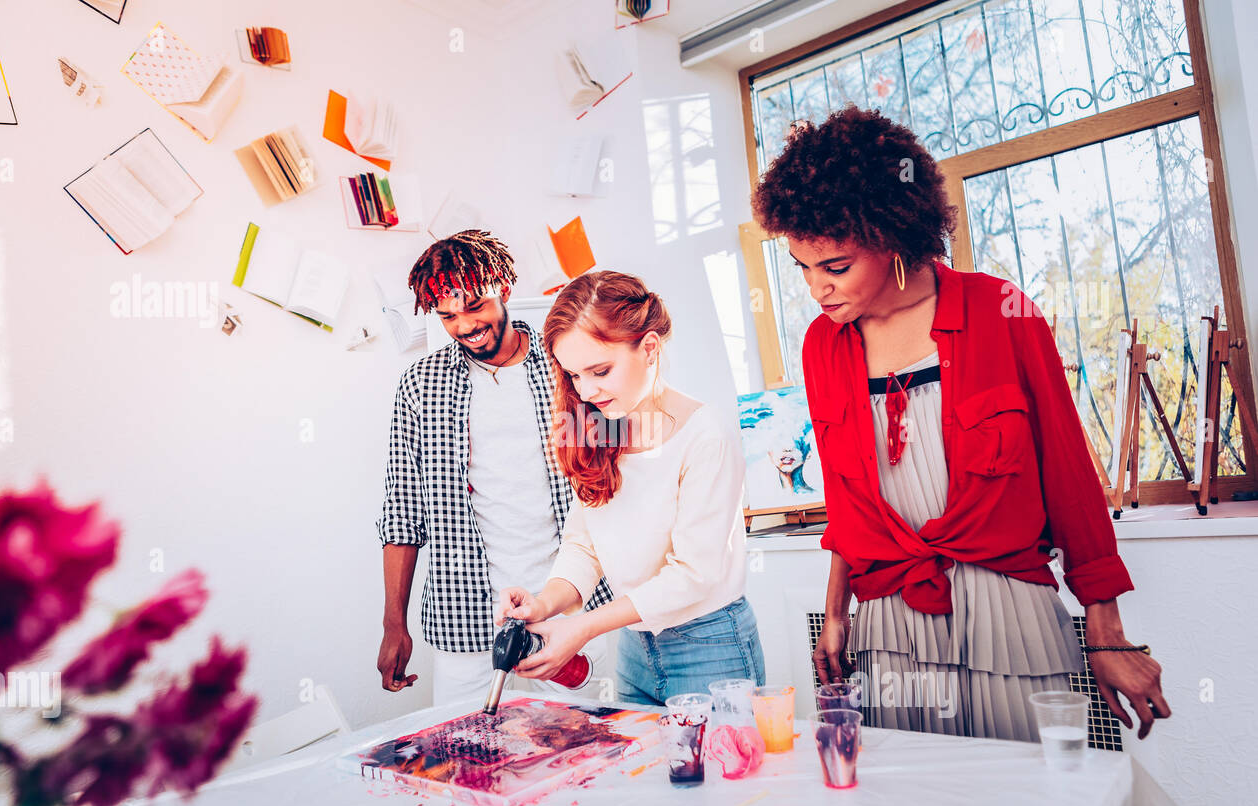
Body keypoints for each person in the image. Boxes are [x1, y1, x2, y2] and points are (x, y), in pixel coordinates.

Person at [751, 104, 1171, 743]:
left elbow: (1070, 478)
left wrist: (1105, 633)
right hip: (891, 623)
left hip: (1009, 615)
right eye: (802, 268)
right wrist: (836, 613)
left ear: (892, 236)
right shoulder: (821, 345)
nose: (816, 289)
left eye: (835, 266)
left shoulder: (1001, 312)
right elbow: (845, 498)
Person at [494, 270, 766, 706]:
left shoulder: (705, 435)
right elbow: (585, 546)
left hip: (710, 647)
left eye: (600, 370)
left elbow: (693, 575)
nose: (586, 390)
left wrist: (581, 627)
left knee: (718, 772)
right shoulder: (598, 426)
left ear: (650, 347)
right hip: (634, 648)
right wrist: (543, 605)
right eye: (574, 376)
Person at [376, 230, 613, 706]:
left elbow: (614, 476)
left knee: (587, 752)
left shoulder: (565, 364)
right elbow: (402, 510)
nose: (464, 325)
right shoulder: (420, 385)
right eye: (447, 315)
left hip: (569, 602)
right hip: (464, 617)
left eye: (475, 305)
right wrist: (393, 624)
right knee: (469, 758)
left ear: (504, 288)